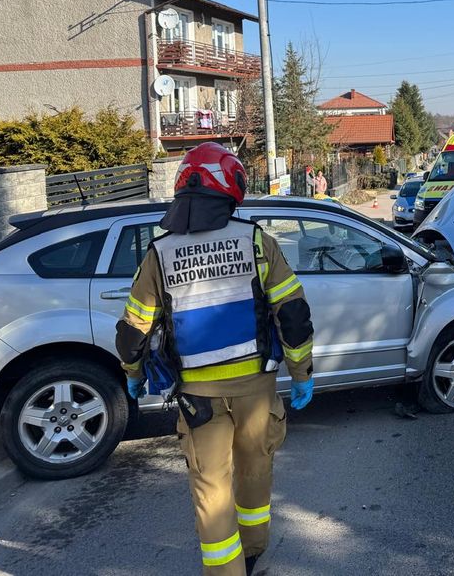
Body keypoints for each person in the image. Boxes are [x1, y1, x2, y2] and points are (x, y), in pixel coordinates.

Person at [116, 142, 314, 576]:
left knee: (212, 489)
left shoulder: (159, 254)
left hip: (197, 397)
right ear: (231, 187)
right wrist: (301, 374)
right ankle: (255, 549)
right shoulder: (257, 242)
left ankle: (226, 571)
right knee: (255, 471)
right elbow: (293, 314)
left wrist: (132, 374)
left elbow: (133, 329)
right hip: (257, 392)